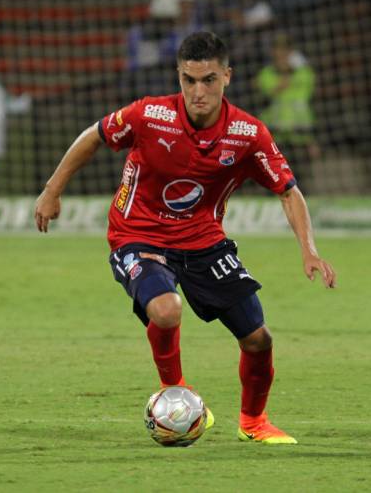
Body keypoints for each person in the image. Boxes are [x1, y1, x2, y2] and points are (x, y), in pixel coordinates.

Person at [34, 32, 336, 444]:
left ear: (227, 77)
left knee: (258, 339)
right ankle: (177, 392)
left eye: (209, 80)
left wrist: (310, 250)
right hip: (137, 234)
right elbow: (95, 135)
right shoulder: (149, 115)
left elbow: (288, 190)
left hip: (203, 240)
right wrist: (53, 190)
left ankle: (254, 422)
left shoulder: (248, 133)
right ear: (178, 77)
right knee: (166, 308)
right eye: (189, 80)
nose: (199, 91)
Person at [256, 32, 318, 189]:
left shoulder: (305, 73)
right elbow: (271, 91)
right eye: (278, 49)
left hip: (300, 137)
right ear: (272, 52)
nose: (281, 53)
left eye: (285, 49)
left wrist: (313, 140)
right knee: (274, 180)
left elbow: (309, 102)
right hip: (275, 137)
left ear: (291, 52)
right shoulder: (266, 74)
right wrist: (286, 76)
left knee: (301, 183)